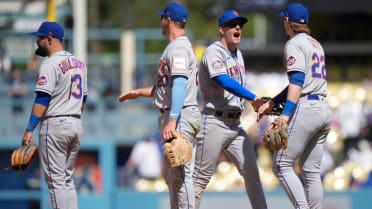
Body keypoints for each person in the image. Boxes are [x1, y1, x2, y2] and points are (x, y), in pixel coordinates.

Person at [117, 2, 201, 209]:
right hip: (177, 113)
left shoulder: (179, 48)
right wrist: (138, 92)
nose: (161, 21)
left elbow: (180, 84)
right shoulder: (175, 47)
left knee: (182, 176)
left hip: (180, 115)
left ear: (169, 20)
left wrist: (173, 120)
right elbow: (167, 88)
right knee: (173, 178)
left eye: (162, 18)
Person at [257, 3, 332, 209]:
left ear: (288, 22)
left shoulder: (294, 44)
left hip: (307, 107)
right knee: (311, 170)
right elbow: (295, 83)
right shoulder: (316, 43)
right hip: (324, 108)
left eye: (284, 19)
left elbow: (297, 81)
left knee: (281, 165)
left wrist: (285, 115)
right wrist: (273, 102)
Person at [192, 10, 268, 209]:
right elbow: (223, 81)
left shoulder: (238, 54)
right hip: (214, 122)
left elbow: (234, 87)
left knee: (252, 173)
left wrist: (251, 102)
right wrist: (253, 97)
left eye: (240, 25)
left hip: (235, 124)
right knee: (200, 179)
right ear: (222, 29)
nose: (237, 28)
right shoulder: (213, 52)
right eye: (232, 24)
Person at [21, 21, 88, 209]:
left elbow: (42, 99)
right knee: (67, 180)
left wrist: (29, 130)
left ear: (50, 39)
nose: (37, 42)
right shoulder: (79, 64)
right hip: (75, 123)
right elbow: (83, 99)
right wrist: (71, 117)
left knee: (56, 182)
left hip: (55, 124)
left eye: (40, 38)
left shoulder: (49, 63)